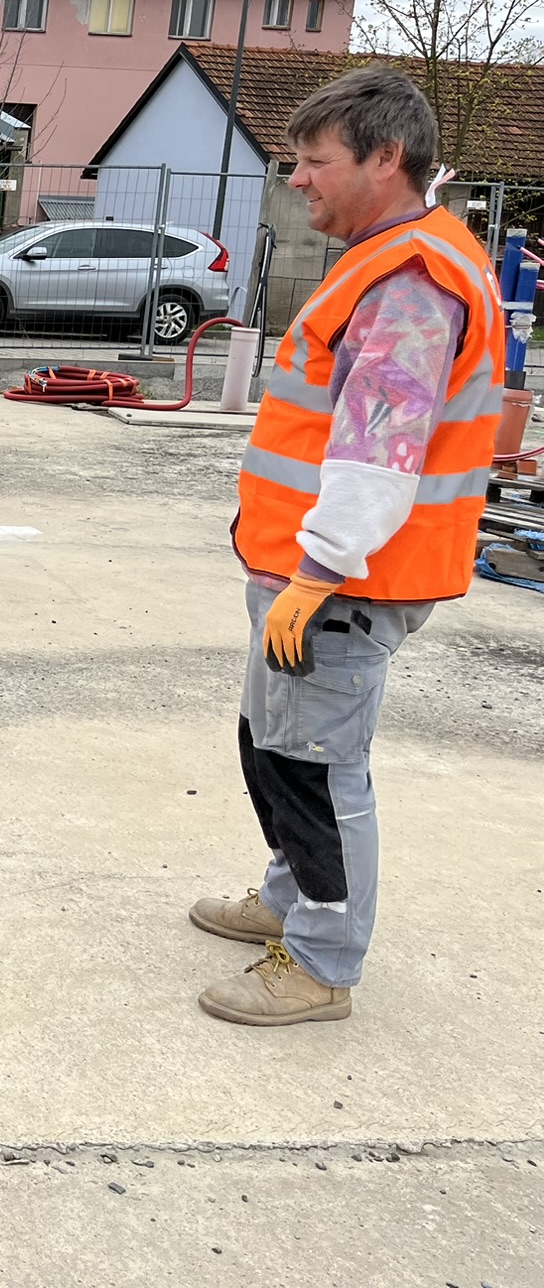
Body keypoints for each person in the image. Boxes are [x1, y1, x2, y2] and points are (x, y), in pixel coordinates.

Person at [191, 68, 506, 1026]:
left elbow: (380, 453)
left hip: (343, 582)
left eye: (314, 161)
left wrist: (319, 572)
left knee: (316, 767)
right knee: (274, 744)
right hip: (307, 571)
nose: (297, 179)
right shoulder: (389, 257)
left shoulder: (413, 282)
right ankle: (289, 903)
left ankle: (322, 964)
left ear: (386, 158)